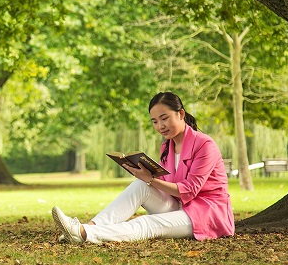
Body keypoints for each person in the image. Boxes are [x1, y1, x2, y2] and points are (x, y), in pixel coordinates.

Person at [52, 91, 234, 243]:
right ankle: (91, 226)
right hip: (180, 206)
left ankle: (84, 234)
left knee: (148, 223)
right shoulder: (167, 147)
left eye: (164, 118)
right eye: (154, 121)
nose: (160, 126)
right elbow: (166, 184)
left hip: (205, 213)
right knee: (140, 186)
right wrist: (146, 176)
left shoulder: (205, 145)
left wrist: (151, 179)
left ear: (181, 114)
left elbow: (188, 190)